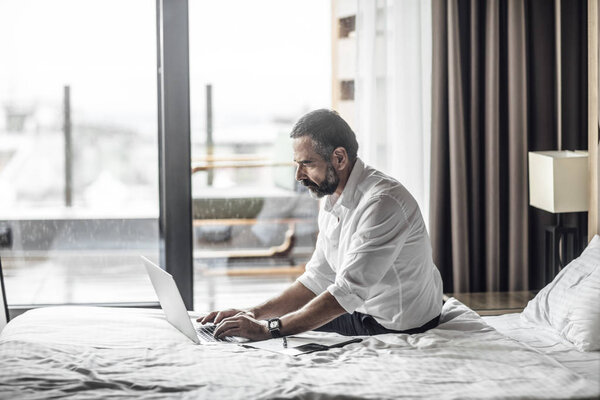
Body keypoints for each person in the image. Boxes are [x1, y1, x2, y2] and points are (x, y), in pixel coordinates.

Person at [199, 109, 443, 341]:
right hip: (361, 308)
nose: (298, 176)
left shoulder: (383, 203)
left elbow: (346, 292)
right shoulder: (332, 197)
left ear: (339, 158)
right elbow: (317, 278)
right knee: (258, 328)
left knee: (272, 335)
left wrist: (267, 329)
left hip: (396, 324)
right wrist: (252, 314)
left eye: (307, 164)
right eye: (297, 164)